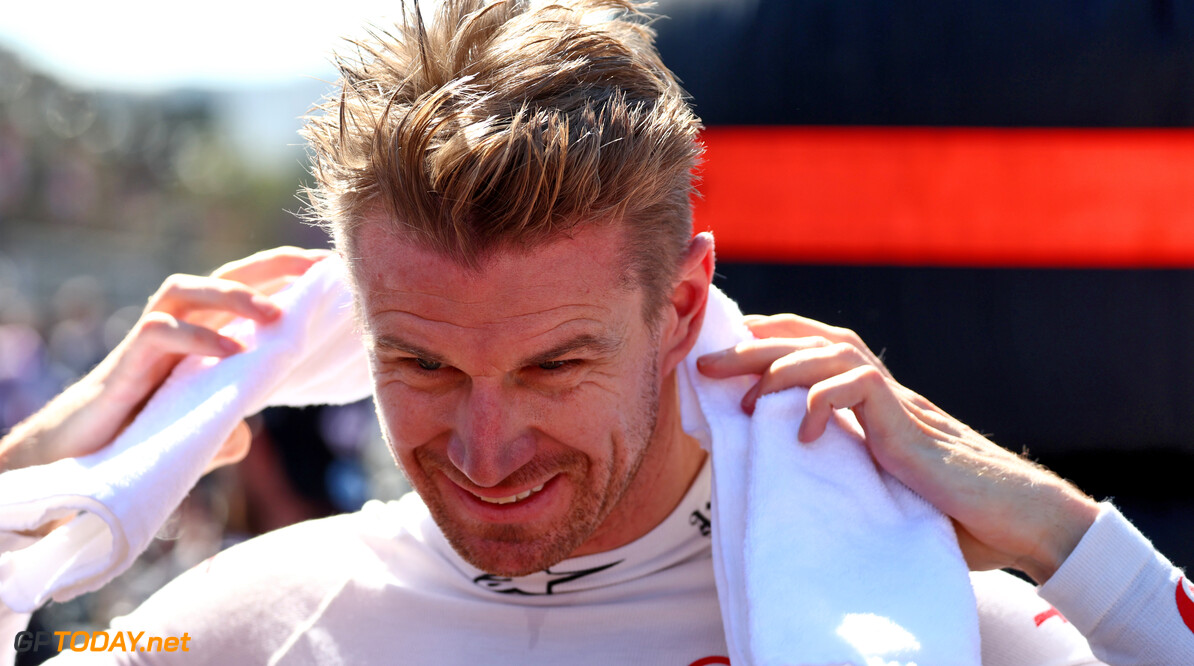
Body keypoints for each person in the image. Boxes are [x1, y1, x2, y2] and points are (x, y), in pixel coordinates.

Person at [2, 1, 1192, 663]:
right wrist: (27, 481)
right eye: (420, 363)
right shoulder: (238, 623)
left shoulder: (914, 613)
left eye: (552, 364)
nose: (483, 444)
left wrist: (1058, 528)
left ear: (679, 306)